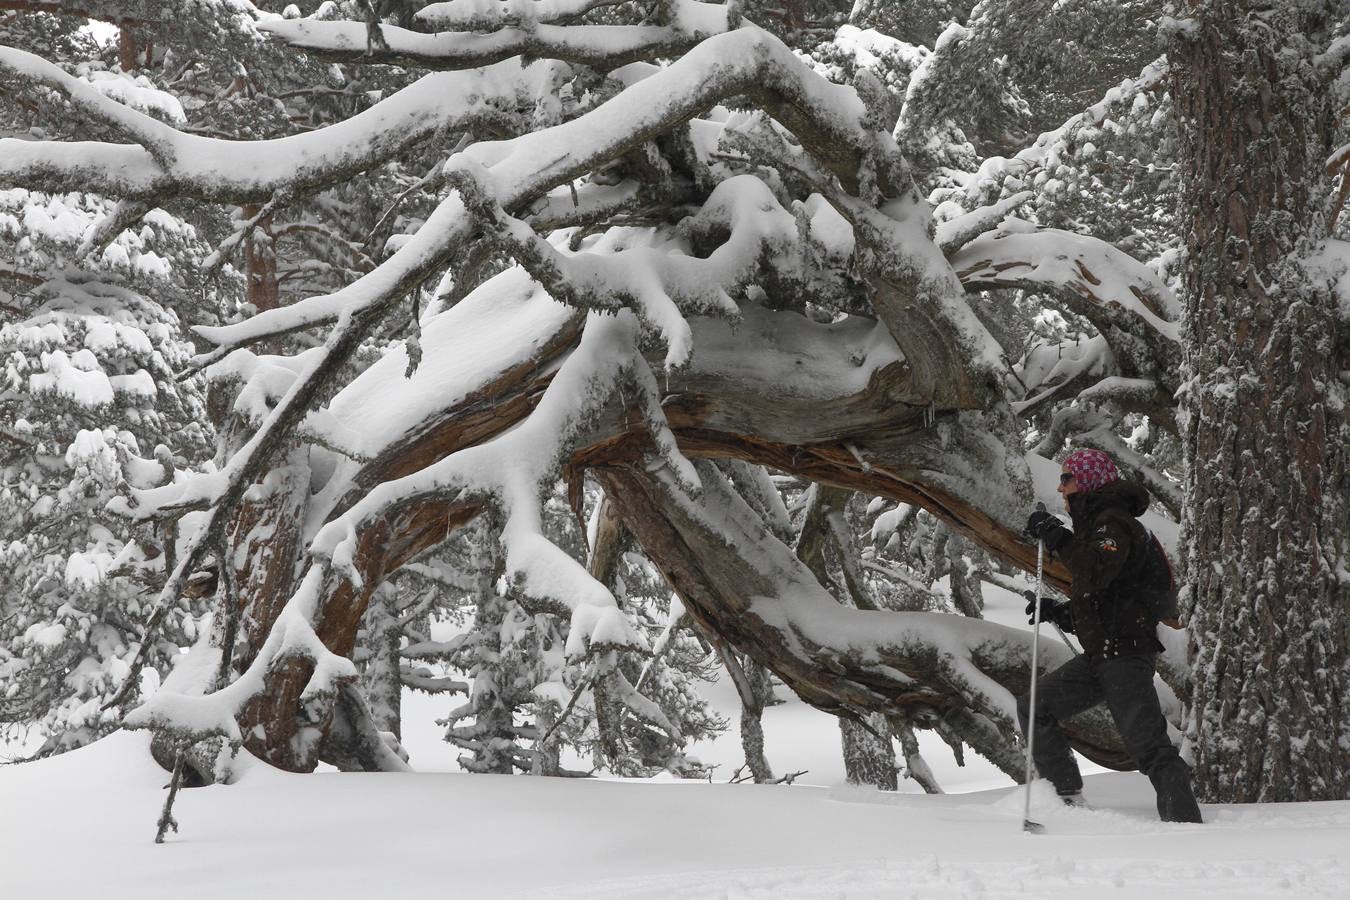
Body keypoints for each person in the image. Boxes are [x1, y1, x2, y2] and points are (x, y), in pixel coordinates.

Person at [1019, 448, 1203, 823]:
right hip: (1104, 655)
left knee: (1149, 748)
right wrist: (1061, 613)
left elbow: (1098, 569)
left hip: (1124, 657)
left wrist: (1055, 536)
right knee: (1035, 706)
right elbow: (1110, 598)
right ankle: (1065, 801)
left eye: (1067, 478)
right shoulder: (1099, 526)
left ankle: (1186, 829)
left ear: (1087, 481)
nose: (1062, 487)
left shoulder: (1113, 523)